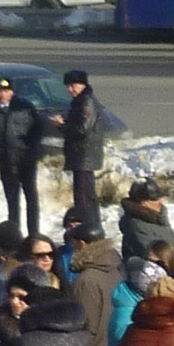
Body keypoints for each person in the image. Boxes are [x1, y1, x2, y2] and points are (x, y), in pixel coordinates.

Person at [0, 74, 47, 236]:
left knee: (31, 198)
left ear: (12, 92)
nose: (3, 94)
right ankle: (15, 235)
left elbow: (38, 129)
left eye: (6, 91)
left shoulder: (24, 107)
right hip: (5, 160)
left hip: (26, 159)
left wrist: (33, 148)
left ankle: (34, 234)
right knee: (12, 201)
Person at [56, 71, 119, 240]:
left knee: (83, 198)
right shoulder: (80, 100)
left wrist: (62, 126)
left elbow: (82, 129)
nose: (70, 89)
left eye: (73, 86)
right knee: (86, 197)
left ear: (82, 84)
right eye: (68, 86)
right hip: (81, 156)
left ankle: (88, 231)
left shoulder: (86, 101)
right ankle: (92, 229)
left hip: (84, 156)